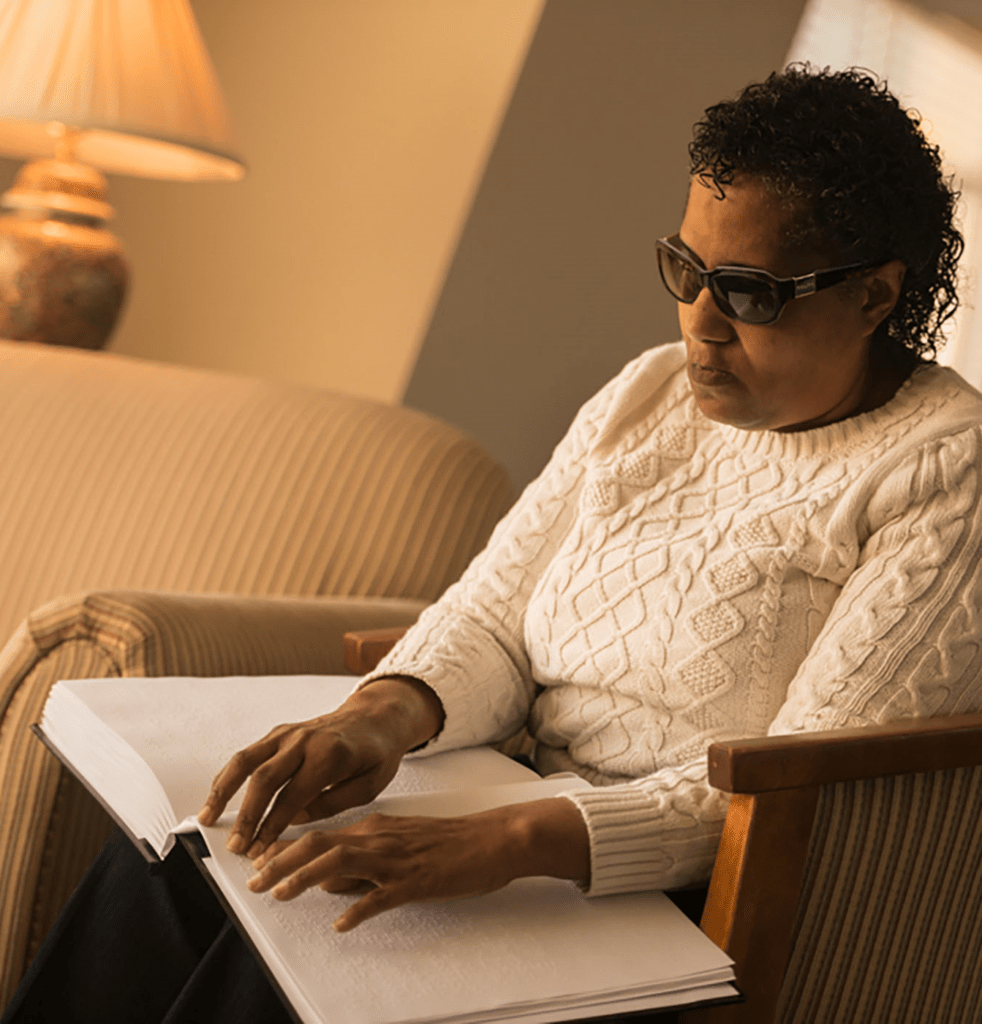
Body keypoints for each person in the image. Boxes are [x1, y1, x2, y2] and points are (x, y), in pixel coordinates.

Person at [5, 64, 982, 1023]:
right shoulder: (647, 393)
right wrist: (381, 715)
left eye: (749, 292)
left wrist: (507, 839)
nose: (698, 323)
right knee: (184, 865)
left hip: (672, 892)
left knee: (315, 937)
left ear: (872, 296)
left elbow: (797, 783)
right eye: (683, 270)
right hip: (508, 806)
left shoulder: (944, 469)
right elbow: (494, 612)